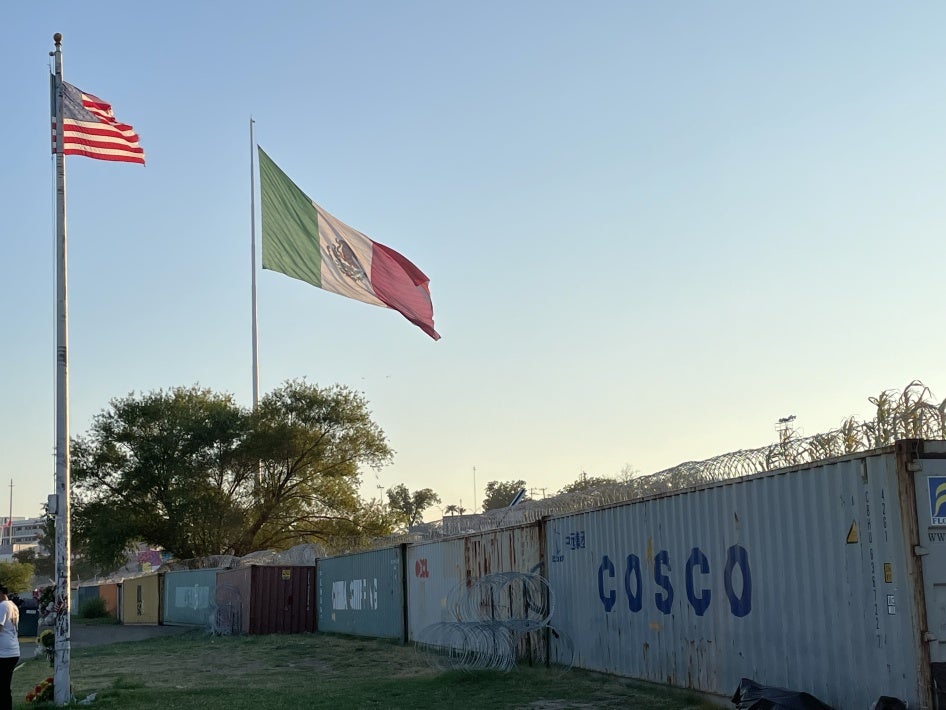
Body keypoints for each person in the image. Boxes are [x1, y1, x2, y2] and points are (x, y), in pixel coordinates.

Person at [0, 585, 19, 710]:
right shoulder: (13, 605)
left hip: (4, 653)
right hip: (12, 650)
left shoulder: (2, 606)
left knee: (3, 687)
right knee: (4, 686)